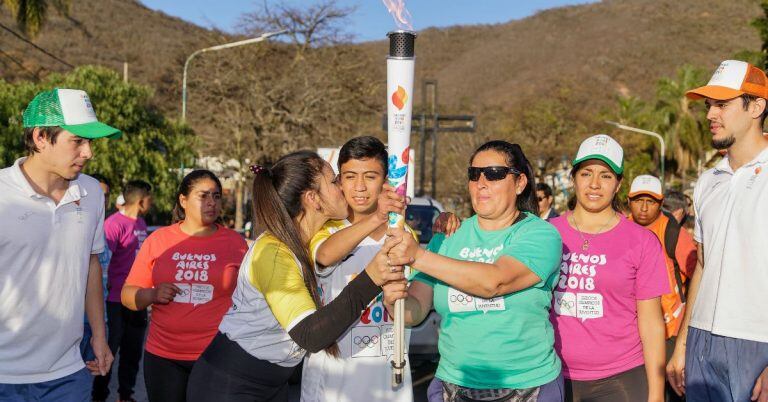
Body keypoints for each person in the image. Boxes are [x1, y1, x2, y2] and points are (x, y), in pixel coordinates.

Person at [186, 151, 407, 402]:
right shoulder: (274, 252)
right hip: (229, 385)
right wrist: (370, 279)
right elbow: (310, 334)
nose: (343, 188)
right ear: (313, 198)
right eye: (335, 181)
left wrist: (381, 215)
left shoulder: (308, 240)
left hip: (272, 384)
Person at [384, 140, 565, 401]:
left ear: (520, 183)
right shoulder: (446, 238)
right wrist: (394, 298)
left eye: (494, 173)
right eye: (474, 174)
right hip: (454, 386)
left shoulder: (540, 234)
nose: (481, 182)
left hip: (528, 387)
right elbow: (414, 312)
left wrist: (417, 255)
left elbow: (495, 282)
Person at [0, 88, 118, 400]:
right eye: (78, 141)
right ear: (40, 137)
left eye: (90, 142)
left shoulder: (92, 192)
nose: (88, 152)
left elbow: (91, 264)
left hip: (69, 372)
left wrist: (100, 335)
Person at [667, 60, 768, 402]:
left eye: (722, 105)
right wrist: (681, 345)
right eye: (709, 105)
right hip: (700, 338)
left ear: (756, 106)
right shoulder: (708, 181)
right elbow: (703, 266)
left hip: (756, 342)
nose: (710, 114)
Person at [549, 134, 669, 402]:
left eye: (605, 175)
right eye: (586, 173)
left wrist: (657, 393)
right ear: (573, 178)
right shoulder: (546, 234)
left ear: (618, 184)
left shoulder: (641, 241)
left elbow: (651, 323)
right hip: (552, 375)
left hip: (621, 378)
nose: (594, 184)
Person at [301, 136, 413, 402]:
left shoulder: (404, 235)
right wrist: (377, 217)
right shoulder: (325, 229)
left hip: (387, 380)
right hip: (332, 382)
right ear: (340, 181)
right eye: (350, 177)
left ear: (386, 182)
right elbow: (326, 255)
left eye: (370, 176)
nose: (359, 187)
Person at [121, 170, 248, 402]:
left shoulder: (235, 243)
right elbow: (128, 296)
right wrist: (152, 294)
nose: (212, 202)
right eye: (203, 196)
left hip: (216, 356)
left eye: (216, 196)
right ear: (183, 200)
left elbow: (253, 296)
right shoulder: (159, 240)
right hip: (163, 357)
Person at [627, 175, 698, 402]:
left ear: (661, 202)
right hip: (631, 330)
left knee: (669, 391)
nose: (644, 207)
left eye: (651, 201)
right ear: (629, 201)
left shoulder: (673, 233)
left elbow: (698, 273)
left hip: (670, 332)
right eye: (639, 200)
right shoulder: (621, 229)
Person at [92, 180, 152, 402]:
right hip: (115, 301)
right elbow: (102, 263)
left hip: (138, 299)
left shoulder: (142, 224)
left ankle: (125, 396)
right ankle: (99, 396)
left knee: (133, 351)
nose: (151, 202)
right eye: (150, 198)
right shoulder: (113, 224)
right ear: (141, 200)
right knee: (109, 351)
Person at [80, 174, 112, 364]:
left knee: (88, 379)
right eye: (99, 194)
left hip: (99, 318)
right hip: (75, 321)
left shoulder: (103, 232)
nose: (102, 198)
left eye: (106, 195)